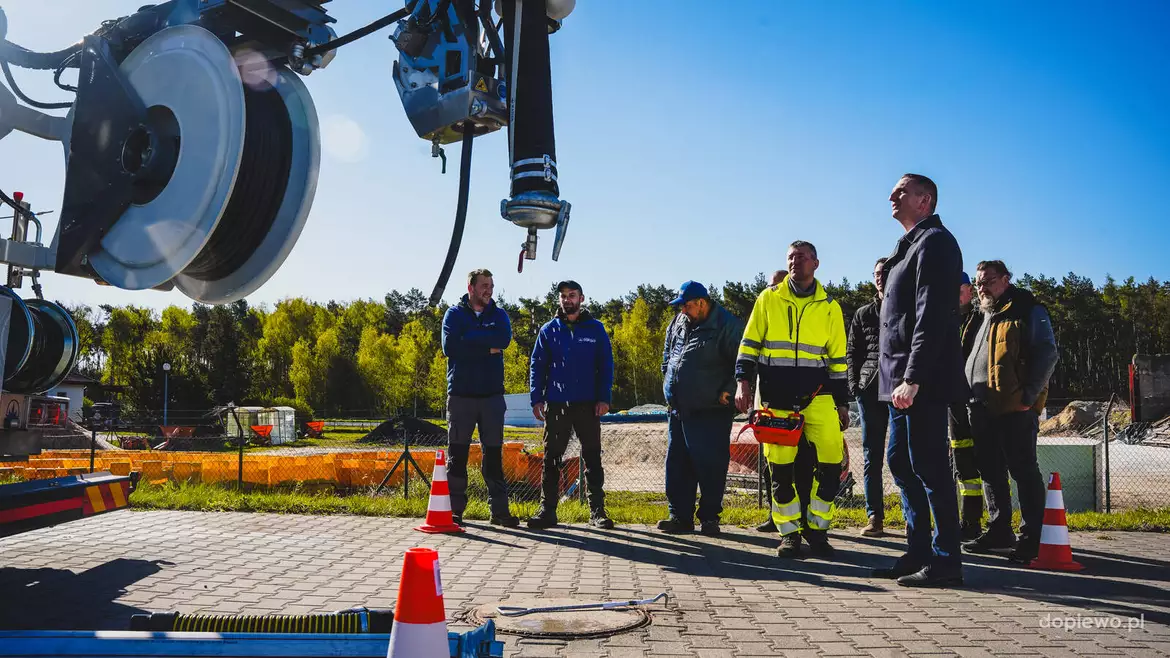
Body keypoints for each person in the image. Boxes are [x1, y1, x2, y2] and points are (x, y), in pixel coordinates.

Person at [874, 174, 968, 587]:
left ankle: (947, 561)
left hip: (920, 381)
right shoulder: (907, 246)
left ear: (925, 199)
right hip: (896, 381)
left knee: (929, 467)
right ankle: (918, 551)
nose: (892, 195)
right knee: (899, 461)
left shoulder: (936, 242)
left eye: (902, 191)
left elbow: (930, 314)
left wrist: (913, 377)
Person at [736, 242, 850, 559]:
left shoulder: (830, 306)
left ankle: (817, 530)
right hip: (777, 400)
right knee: (781, 473)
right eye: (790, 257)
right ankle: (789, 535)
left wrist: (842, 403)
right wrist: (742, 382)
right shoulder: (768, 299)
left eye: (801, 257)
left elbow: (838, 360)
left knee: (831, 468)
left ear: (816, 263)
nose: (794, 261)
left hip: (820, 397)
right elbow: (749, 344)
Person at [961, 260, 1059, 564]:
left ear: (1005, 279)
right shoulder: (982, 314)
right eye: (979, 282)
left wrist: (1028, 397)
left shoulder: (1026, 309)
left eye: (989, 280)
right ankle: (999, 530)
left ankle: (1032, 539)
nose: (982, 287)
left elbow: (1047, 353)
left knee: (1023, 471)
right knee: (990, 471)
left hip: (1014, 407)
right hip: (980, 407)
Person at [527, 280, 615, 530]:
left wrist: (603, 398)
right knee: (551, 458)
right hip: (556, 404)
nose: (567, 300)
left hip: (588, 405)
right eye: (563, 296)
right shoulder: (548, 330)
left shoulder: (595, 329)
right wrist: (537, 398)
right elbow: (537, 365)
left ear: (582, 298)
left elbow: (606, 365)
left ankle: (597, 511)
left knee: (592, 458)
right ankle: (547, 510)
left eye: (572, 295)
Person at [659, 281, 745, 536]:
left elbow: (742, 363)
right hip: (678, 408)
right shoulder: (678, 323)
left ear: (702, 303)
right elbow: (668, 355)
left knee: (710, 465)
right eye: (680, 306)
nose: (682, 310)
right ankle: (679, 517)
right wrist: (669, 382)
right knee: (677, 465)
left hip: (711, 410)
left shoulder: (727, 325)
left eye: (686, 305)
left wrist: (728, 390)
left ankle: (709, 518)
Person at [440, 268, 519, 528]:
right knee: (457, 457)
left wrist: (469, 340)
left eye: (491, 286)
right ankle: (454, 511)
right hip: (461, 396)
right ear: (470, 287)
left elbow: (503, 340)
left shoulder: (499, 315)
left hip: (492, 398)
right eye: (484, 285)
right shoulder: (454, 314)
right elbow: (450, 347)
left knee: (494, 457)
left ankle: (499, 512)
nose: (489, 290)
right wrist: (487, 348)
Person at [848, 257, 890, 537]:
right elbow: (852, 351)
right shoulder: (864, 314)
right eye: (876, 273)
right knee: (871, 456)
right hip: (869, 391)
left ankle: (915, 520)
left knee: (904, 457)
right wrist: (855, 385)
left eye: (885, 272)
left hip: (901, 390)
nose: (880, 277)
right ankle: (874, 516)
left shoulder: (908, 308)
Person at [950, 272, 985, 540]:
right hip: (952, 403)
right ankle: (965, 522)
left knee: (987, 464)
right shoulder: (942, 320)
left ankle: (983, 521)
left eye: (959, 288)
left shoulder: (981, 319)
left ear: (970, 291)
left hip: (978, 401)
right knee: (961, 464)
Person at [755, 269, 787, 534]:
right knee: (768, 466)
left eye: (776, 285)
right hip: (763, 404)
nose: (772, 290)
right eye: (769, 286)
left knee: (788, 467)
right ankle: (774, 514)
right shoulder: (762, 318)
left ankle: (792, 519)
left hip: (788, 406)